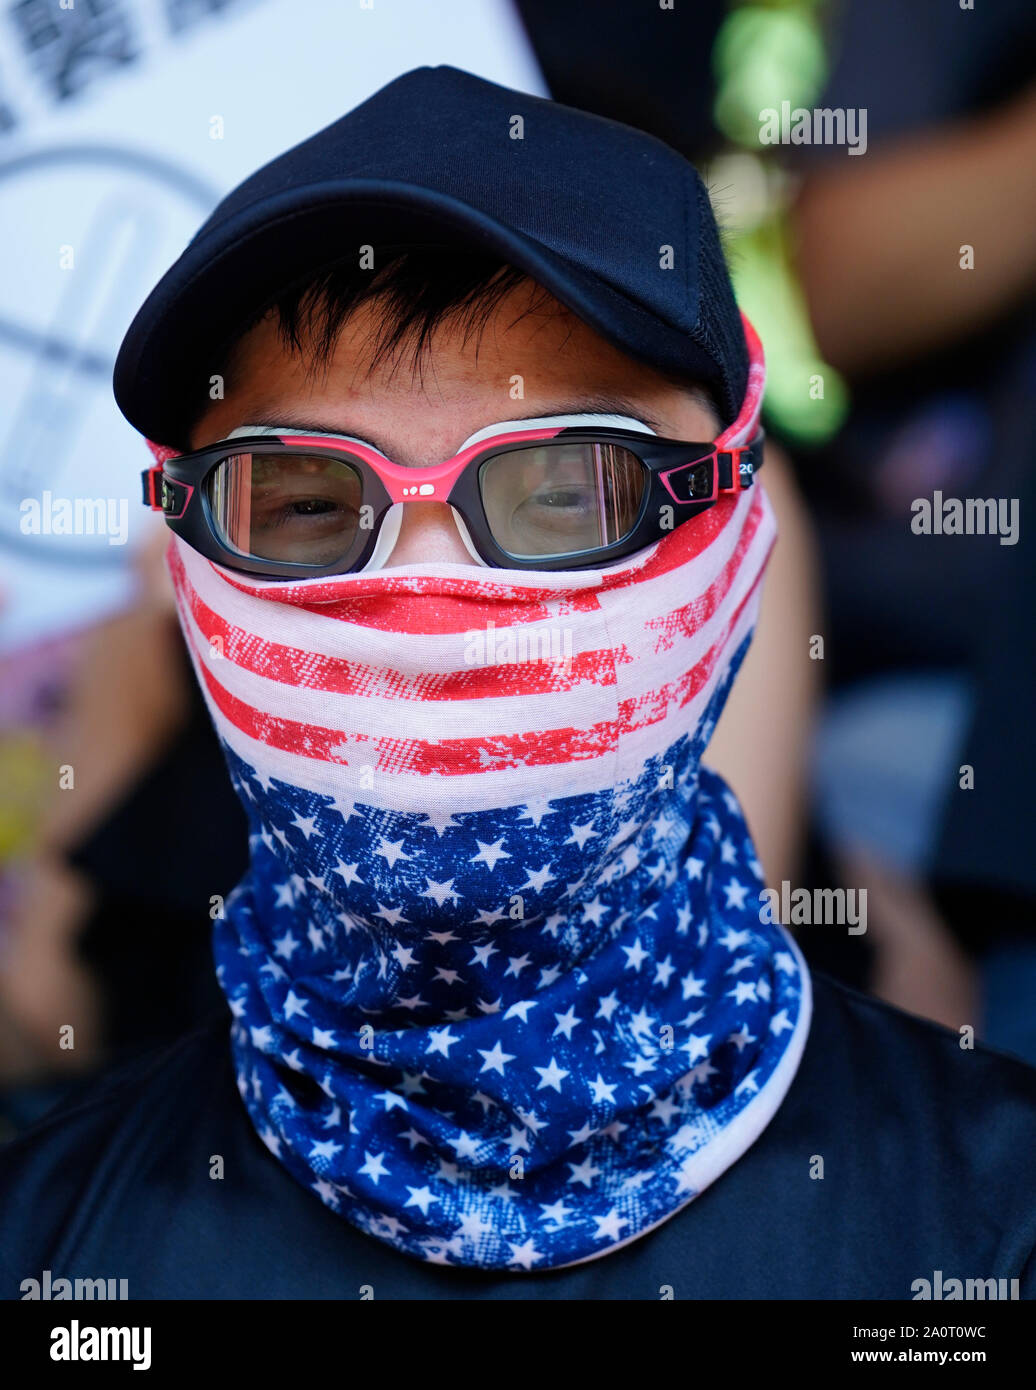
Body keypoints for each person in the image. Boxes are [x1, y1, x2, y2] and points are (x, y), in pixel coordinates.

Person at [2, 66, 1035, 1299]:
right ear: (190, 563)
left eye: (563, 494)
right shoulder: (50, 1263)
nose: (430, 604)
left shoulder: (990, 1233)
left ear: (739, 533)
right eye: (308, 505)